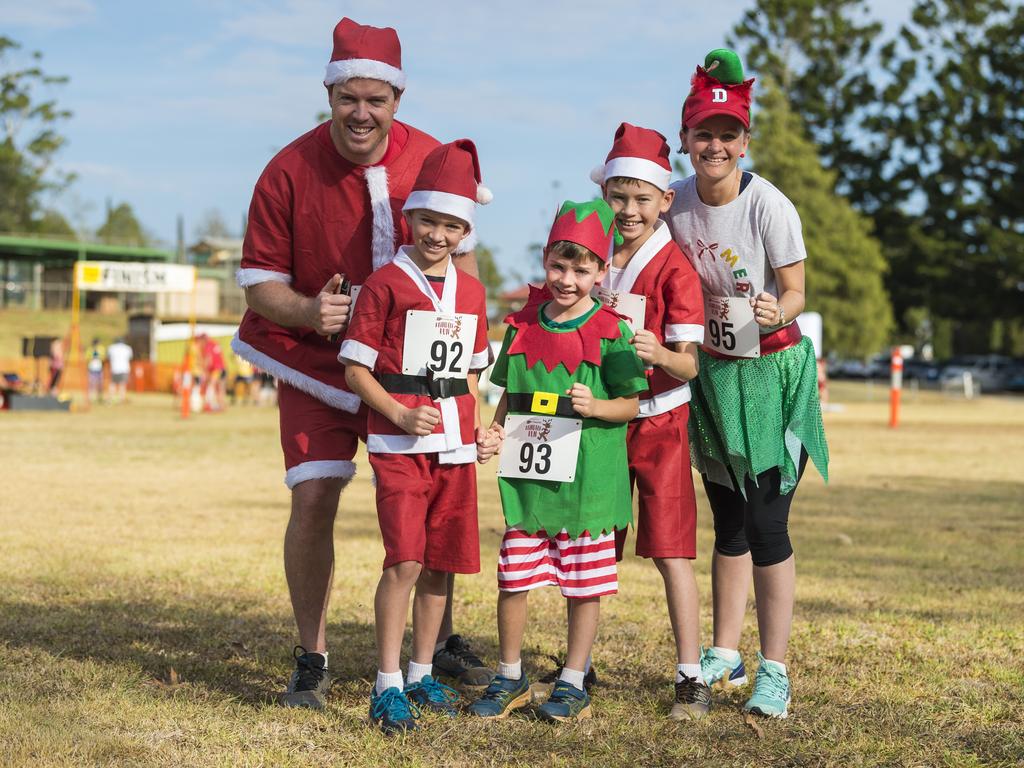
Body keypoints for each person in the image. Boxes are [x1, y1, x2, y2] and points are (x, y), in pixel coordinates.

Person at [230, 17, 488, 709]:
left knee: (437, 493)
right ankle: (311, 656)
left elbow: (461, 262)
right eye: (349, 98)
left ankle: (433, 649)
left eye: (376, 99)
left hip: (410, 374)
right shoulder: (287, 169)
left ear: (397, 101)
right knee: (314, 495)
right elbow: (259, 283)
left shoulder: (431, 156)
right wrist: (310, 312)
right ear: (329, 93)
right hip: (313, 362)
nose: (362, 112)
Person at [665, 49, 829, 719]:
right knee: (727, 519)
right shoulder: (673, 205)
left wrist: (774, 309)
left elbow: (795, 291)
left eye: (728, 134)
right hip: (713, 373)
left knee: (767, 521)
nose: (716, 145)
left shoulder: (770, 205)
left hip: (771, 373)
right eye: (704, 132)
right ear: (686, 140)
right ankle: (726, 652)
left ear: (744, 142)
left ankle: (776, 669)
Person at [470, 200, 647, 723]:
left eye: (582, 269)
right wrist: (497, 429)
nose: (567, 279)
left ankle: (572, 679)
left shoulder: (612, 330)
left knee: (583, 583)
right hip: (530, 482)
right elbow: (509, 392)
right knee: (513, 577)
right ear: (545, 260)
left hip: (590, 481)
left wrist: (599, 406)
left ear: (601, 270)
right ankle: (510, 675)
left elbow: (634, 403)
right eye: (558, 266)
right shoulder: (523, 323)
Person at [341, 140, 493, 733]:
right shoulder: (383, 284)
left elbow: (473, 372)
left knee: (439, 566)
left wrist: (478, 429)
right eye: (428, 220)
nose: (437, 234)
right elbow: (355, 369)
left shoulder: (474, 294)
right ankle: (386, 684)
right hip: (400, 445)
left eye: (451, 225)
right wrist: (399, 415)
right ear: (410, 218)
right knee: (404, 560)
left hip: (454, 446)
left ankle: (423, 671)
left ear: (464, 231)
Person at [591, 123, 710, 719]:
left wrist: (657, 353)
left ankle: (690, 672)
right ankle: (576, 665)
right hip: (603, 421)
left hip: (660, 418)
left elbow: (688, 365)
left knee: (671, 549)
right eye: (619, 197)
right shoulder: (591, 258)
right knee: (591, 541)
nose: (629, 209)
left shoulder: (676, 269)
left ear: (666, 199)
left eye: (642, 198)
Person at [106, 337, 133, 404]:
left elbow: (108, 357)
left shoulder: (111, 348)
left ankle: (110, 399)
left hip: (114, 369)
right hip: (124, 369)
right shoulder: (127, 348)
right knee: (122, 384)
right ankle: (122, 399)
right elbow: (130, 357)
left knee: (113, 384)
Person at [87, 338, 105, 403]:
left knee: (100, 384)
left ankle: (99, 398)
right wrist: (92, 356)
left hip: (99, 368)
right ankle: (90, 398)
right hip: (91, 368)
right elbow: (87, 357)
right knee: (91, 384)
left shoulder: (101, 349)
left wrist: (98, 356)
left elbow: (103, 357)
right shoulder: (90, 349)